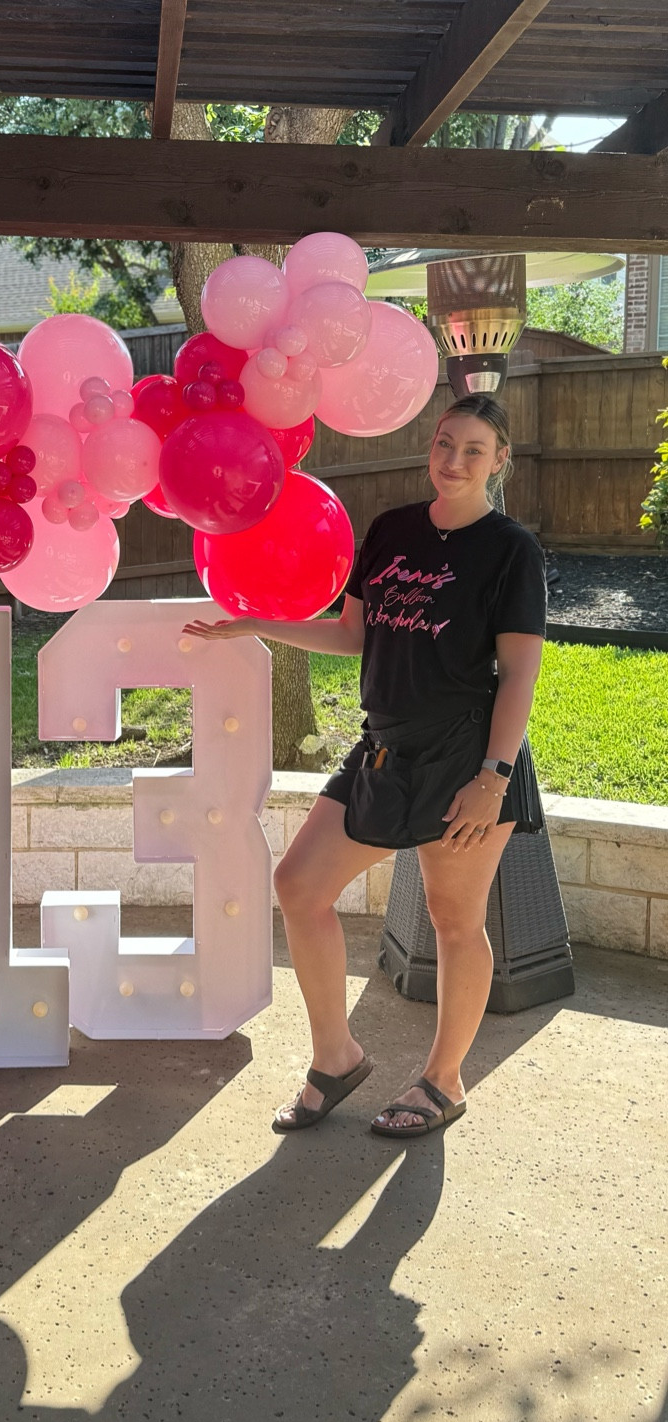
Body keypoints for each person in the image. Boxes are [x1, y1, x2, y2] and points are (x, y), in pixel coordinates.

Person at [184, 394, 546, 1139]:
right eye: (445, 443)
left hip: (466, 760)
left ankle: (443, 1083)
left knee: (453, 922)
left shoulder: (512, 551)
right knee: (298, 884)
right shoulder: (391, 530)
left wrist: (493, 778)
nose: (452, 461)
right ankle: (336, 1057)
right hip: (382, 746)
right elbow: (355, 635)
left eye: (473, 450)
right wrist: (253, 624)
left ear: (499, 461)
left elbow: (518, 675)